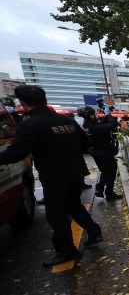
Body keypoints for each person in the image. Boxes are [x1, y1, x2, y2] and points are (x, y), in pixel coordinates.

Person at [0, 85, 103, 266]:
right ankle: (94, 232)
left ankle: (67, 251)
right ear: (44, 99)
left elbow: (14, 154)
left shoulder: (29, 125)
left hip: (55, 177)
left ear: (22, 103)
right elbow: (86, 142)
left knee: (57, 215)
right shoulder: (66, 120)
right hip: (76, 172)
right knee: (74, 205)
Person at [78, 106, 123, 201]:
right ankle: (109, 193)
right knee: (111, 171)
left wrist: (105, 116)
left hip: (96, 153)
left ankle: (100, 188)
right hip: (103, 153)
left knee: (105, 171)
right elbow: (112, 124)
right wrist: (108, 114)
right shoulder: (94, 127)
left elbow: (101, 125)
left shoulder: (87, 126)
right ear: (90, 116)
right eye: (93, 114)